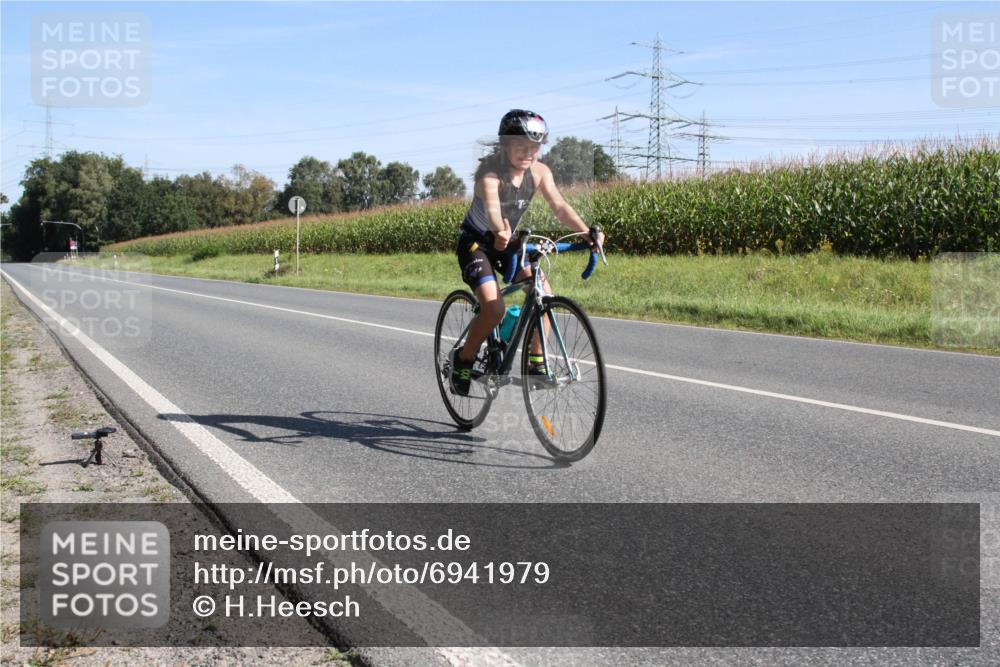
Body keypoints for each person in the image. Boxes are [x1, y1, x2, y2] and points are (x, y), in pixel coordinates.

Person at [450, 109, 605, 396]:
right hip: (478, 244)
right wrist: (498, 229)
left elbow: (559, 207)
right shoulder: (490, 174)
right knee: (494, 308)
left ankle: (535, 364)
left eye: (534, 147)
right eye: (521, 146)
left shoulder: (540, 172)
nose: (528, 153)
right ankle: (464, 358)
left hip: (510, 243)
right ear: (505, 146)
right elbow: (494, 209)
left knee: (542, 292)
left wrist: (586, 232)